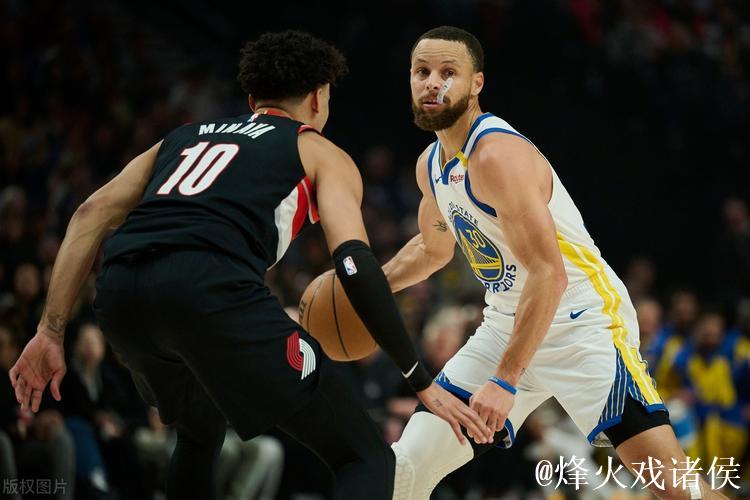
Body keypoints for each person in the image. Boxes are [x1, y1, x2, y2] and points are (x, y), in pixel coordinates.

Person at [8, 30, 491, 500]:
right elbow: (353, 264)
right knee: (364, 456)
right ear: (318, 97)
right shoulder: (317, 150)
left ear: (252, 98)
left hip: (121, 293)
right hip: (208, 289)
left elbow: (90, 214)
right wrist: (419, 378)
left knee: (199, 430)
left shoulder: (182, 138)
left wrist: (49, 331)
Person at [383, 25, 728, 499]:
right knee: (405, 470)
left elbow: (550, 273)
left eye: (448, 72)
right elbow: (431, 250)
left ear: (477, 83)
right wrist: (361, 284)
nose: (432, 83)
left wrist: (505, 380)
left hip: (580, 321)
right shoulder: (431, 165)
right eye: (422, 71)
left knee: (674, 489)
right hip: (507, 325)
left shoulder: (497, 155)